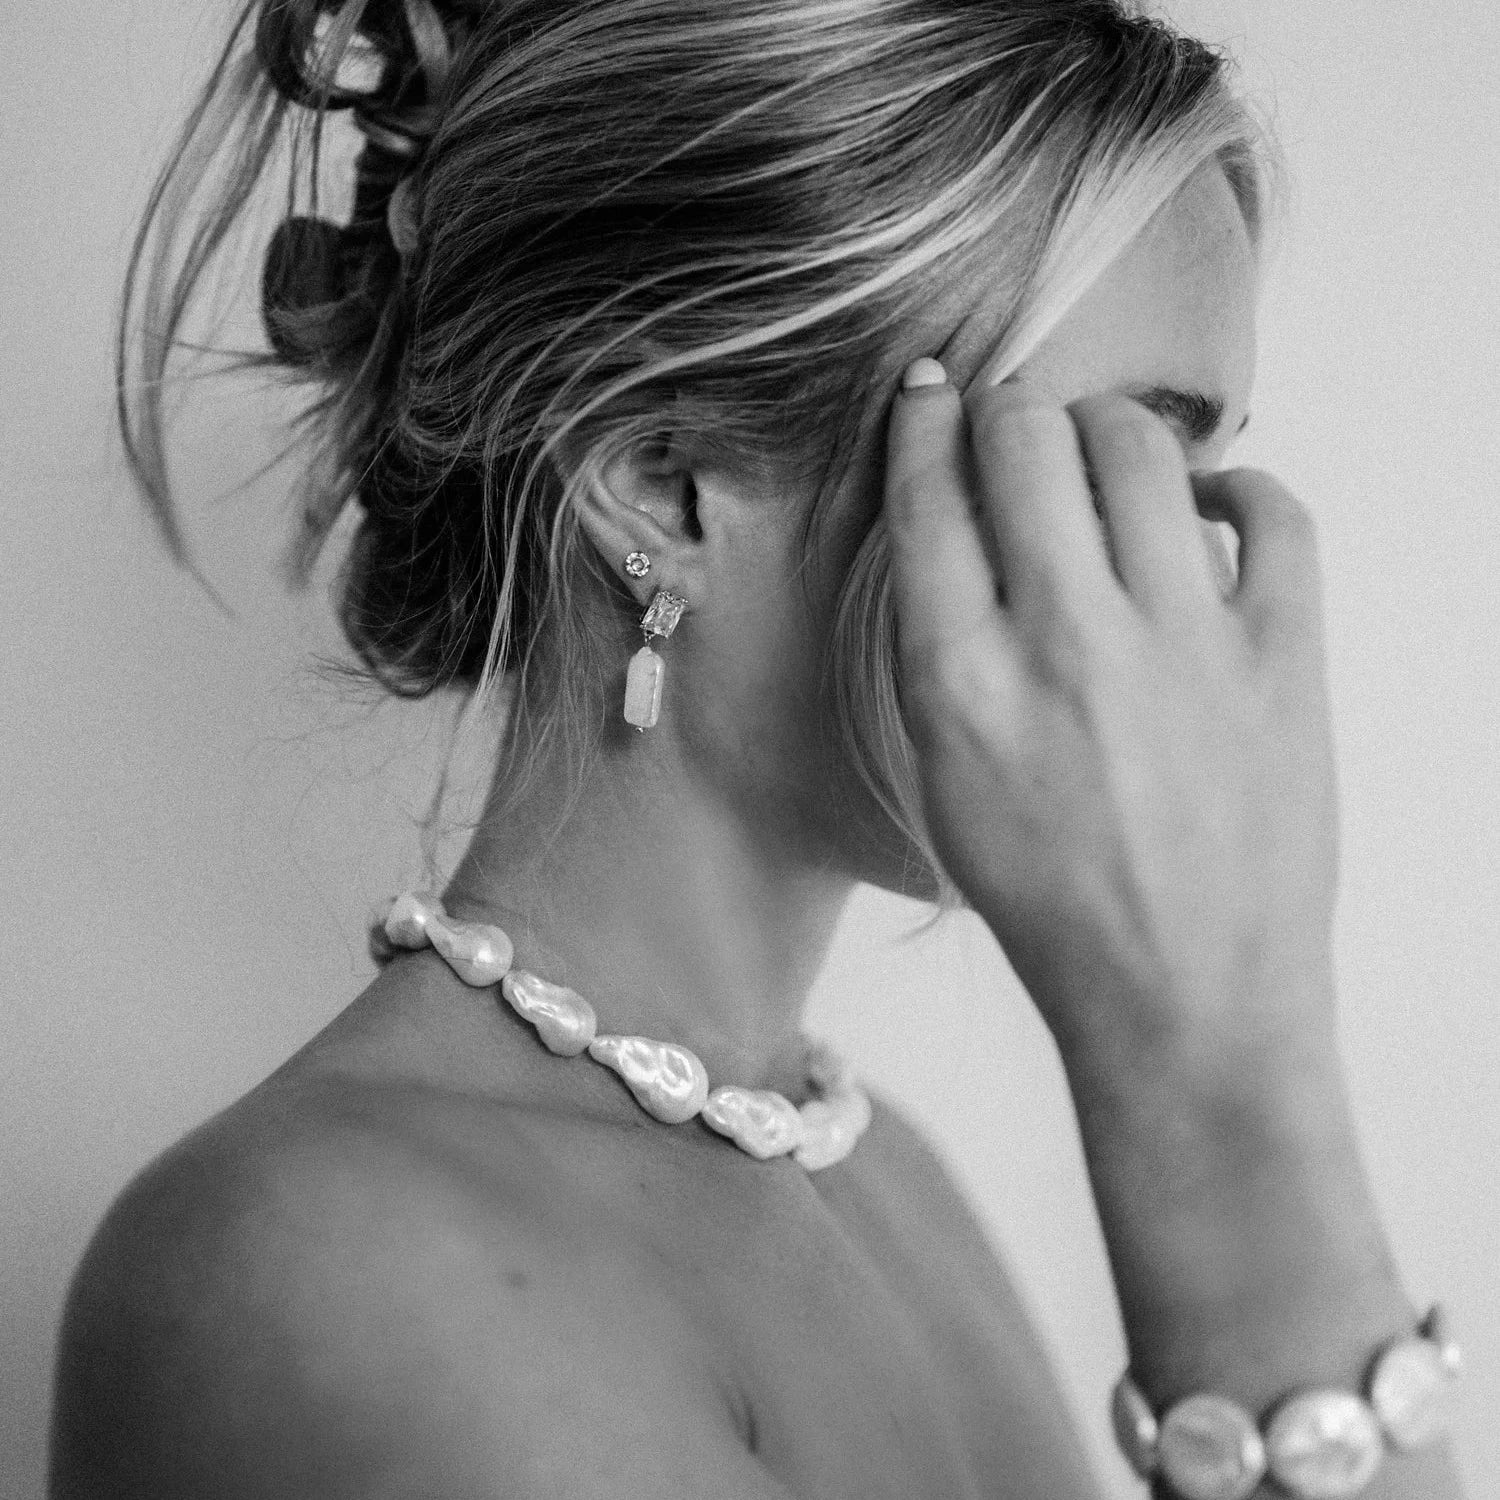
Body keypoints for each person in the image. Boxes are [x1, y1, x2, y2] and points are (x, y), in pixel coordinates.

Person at [49, 1, 1467, 1496]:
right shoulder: (328, 1261)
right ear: (665, 487)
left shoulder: (882, 1179)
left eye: (1198, 474)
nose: (1191, 588)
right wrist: (1219, 1077)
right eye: (1106, 462)